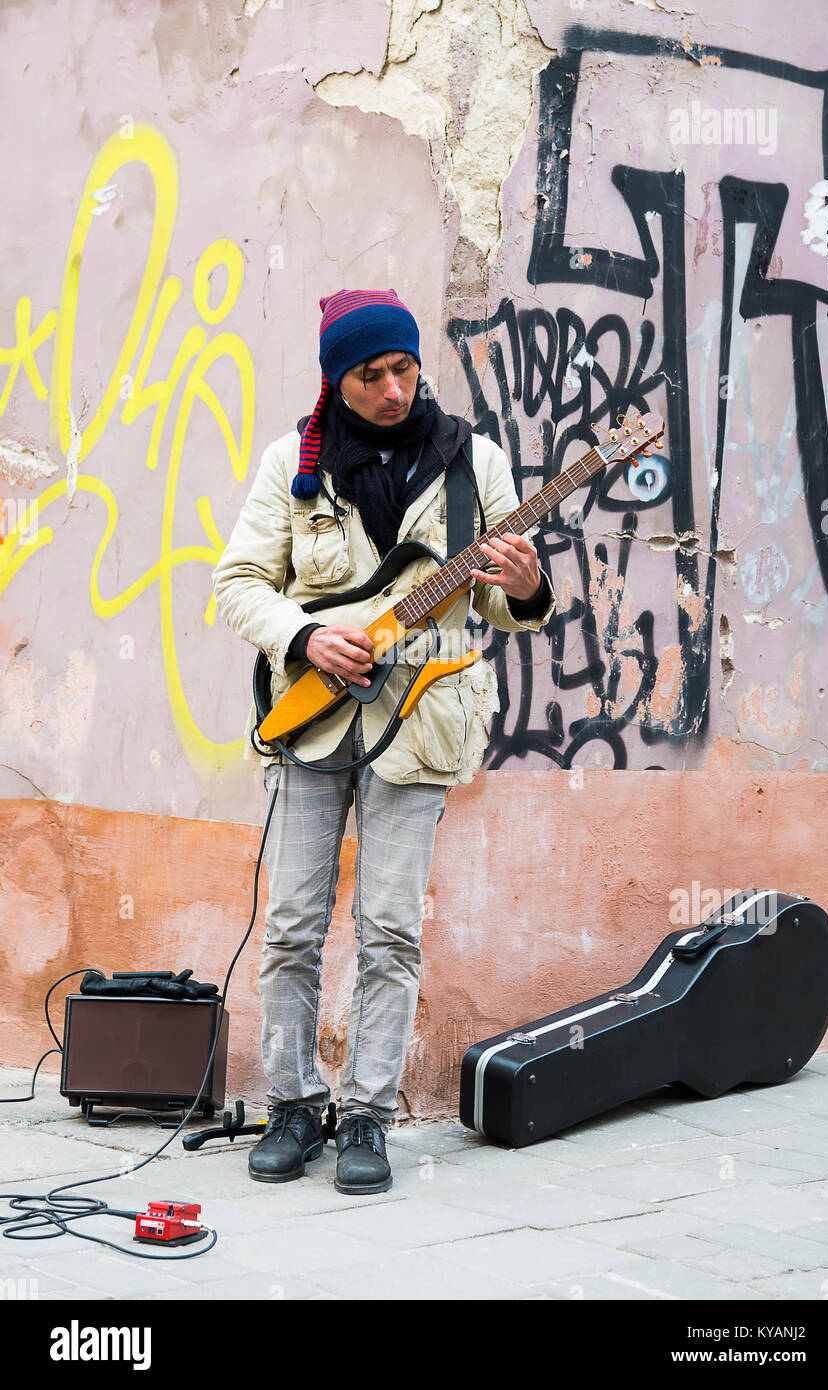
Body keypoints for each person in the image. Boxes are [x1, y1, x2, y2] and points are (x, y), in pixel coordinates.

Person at [212, 288, 555, 1195]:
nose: (396, 388)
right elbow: (236, 583)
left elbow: (496, 605)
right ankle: (293, 1103)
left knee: (390, 931)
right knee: (289, 927)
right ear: (338, 380)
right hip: (310, 719)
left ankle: (366, 1114)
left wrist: (521, 586)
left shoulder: (471, 462)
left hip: (421, 726)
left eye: (405, 368)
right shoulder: (295, 463)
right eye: (373, 375)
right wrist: (301, 636)